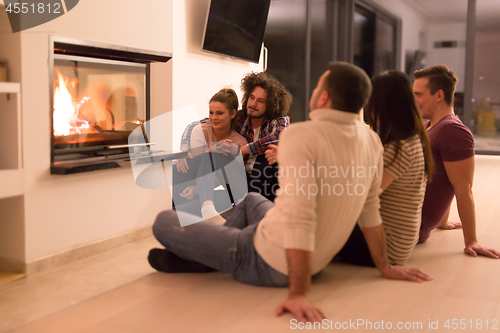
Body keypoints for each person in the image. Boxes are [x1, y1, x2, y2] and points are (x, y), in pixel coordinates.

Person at [150, 62, 432, 323]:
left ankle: (216, 254)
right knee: (250, 199)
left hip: (268, 258)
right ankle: (213, 252)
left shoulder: (301, 135)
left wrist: (298, 293)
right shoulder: (371, 139)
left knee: (164, 222)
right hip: (313, 258)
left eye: (319, 86)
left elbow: (300, 216)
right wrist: (385, 265)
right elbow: (370, 208)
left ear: (323, 98)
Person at [335, 70, 433, 266]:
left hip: (387, 244)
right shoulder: (413, 139)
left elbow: (365, 195)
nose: (368, 106)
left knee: (316, 225)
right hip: (401, 241)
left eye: (372, 100)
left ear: (387, 105)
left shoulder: (398, 148)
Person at [413, 65, 500, 259]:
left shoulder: (452, 131)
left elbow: (463, 188)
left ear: (439, 95)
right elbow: (443, 177)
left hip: (410, 227)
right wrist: (442, 220)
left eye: (418, 94)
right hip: (407, 216)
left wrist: (471, 241)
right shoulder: (429, 126)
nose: (414, 100)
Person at [176, 71, 292, 202]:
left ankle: (263, 204)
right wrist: (184, 149)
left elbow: (279, 136)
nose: (253, 104)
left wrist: (241, 150)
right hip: (240, 177)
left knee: (270, 154)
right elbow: (196, 125)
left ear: (270, 105)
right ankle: (206, 204)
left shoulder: (278, 120)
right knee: (221, 150)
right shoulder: (240, 117)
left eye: (260, 101)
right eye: (252, 97)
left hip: (265, 180)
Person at [172, 88, 248, 225]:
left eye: (219, 113)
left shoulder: (240, 142)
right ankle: (205, 209)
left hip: (210, 187)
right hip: (190, 180)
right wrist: (209, 150)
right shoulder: (199, 130)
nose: (214, 118)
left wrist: (196, 189)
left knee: (218, 158)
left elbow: (225, 177)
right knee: (208, 157)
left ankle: (206, 208)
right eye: (211, 113)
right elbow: (197, 168)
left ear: (232, 113)